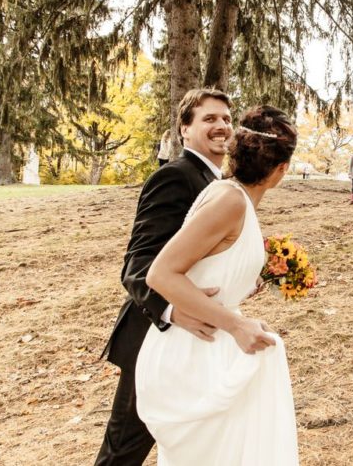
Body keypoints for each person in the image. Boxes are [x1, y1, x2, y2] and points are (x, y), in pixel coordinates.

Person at [135, 106, 299, 465]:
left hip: (209, 348)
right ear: (281, 170)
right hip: (193, 353)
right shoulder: (229, 200)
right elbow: (159, 274)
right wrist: (237, 324)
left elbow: (206, 268)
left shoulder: (231, 197)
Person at [95, 88, 233, 466]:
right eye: (209, 118)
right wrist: (173, 310)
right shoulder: (175, 177)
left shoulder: (218, 183)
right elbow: (137, 266)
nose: (221, 126)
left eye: (225, 119)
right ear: (184, 130)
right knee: (124, 450)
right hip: (152, 335)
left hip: (199, 339)